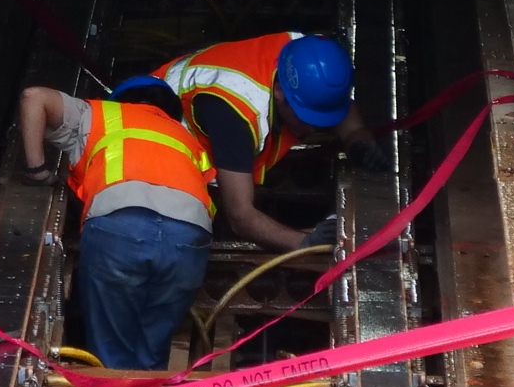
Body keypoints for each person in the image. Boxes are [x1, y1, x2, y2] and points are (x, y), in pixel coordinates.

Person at [20, 82, 221, 387]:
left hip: (120, 231)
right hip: (189, 241)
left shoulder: (100, 114)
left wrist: (38, 170)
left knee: (109, 366)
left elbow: (32, 97)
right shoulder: (190, 140)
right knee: (149, 367)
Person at [115, 31, 349, 254]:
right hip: (146, 145)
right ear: (279, 91)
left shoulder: (305, 55)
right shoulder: (236, 114)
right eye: (307, 117)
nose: (314, 129)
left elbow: (334, 96)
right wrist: (306, 243)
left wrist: (358, 135)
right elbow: (240, 216)